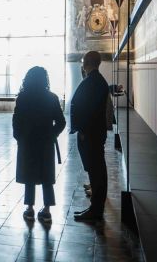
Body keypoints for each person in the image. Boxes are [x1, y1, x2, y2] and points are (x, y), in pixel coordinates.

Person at [13, 66, 66, 223]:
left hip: (28, 142)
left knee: (29, 175)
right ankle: (47, 210)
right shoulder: (52, 97)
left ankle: (29, 209)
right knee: (47, 176)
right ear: (45, 79)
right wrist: (52, 134)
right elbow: (61, 122)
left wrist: (20, 137)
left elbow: (16, 120)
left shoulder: (22, 97)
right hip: (45, 142)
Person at [70, 51, 110, 221]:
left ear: (86, 62)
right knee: (96, 169)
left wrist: (84, 131)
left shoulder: (94, 81)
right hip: (92, 132)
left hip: (91, 133)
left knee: (96, 170)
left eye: (83, 61)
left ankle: (96, 210)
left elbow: (89, 110)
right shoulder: (94, 80)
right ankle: (95, 207)